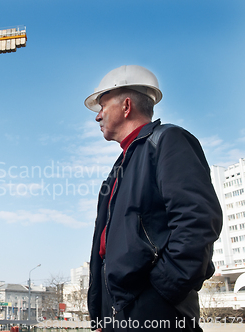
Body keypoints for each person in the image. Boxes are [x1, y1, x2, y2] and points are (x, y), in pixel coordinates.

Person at [84, 65, 222, 331]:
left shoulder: (168, 141)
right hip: (118, 311)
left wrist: (164, 289)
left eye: (102, 106)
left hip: (153, 308)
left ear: (126, 106)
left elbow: (197, 221)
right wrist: (101, 313)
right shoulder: (121, 167)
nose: (97, 117)